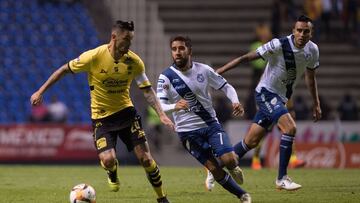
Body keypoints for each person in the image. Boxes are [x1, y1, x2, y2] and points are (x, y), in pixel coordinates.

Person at [30, 20, 174, 203]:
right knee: (108, 160)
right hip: (102, 119)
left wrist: (161, 114)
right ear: (114, 37)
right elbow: (63, 70)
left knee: (146, 159)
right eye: (126, 40)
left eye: (131, 40)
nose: (128, 45)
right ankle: (112, 172)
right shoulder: (93, 57)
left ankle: (162, 198)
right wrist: (40, 91)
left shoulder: (134, 61)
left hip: (126, 114)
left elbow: (147, 90)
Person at [214, 15, 322, 191]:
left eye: (306, 31)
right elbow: (246, 58)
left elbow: (311, 78)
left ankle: (215, 168)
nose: (302, 34)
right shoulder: (278, 45)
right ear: (293, 31)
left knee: (251, 141)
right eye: (299, 30)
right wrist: (221, 70)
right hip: (265, 93)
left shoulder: (313, 50)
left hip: (280, 97)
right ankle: (282, 178)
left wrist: (316, 103)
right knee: (290, 128)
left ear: (311, 33)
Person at [157, 35, 251, 203]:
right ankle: (243, 195)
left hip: (210, 125)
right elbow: (160, 105)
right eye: (174, 49)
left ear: (189, 51)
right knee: (215, 169)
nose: (177, 52)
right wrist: (174, 106)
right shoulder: (166, 77)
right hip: (187, 133)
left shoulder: (204, 70)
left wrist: (235, 101)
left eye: (181, 48)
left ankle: (233, 166)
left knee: (229, 160)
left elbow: (226, 86)